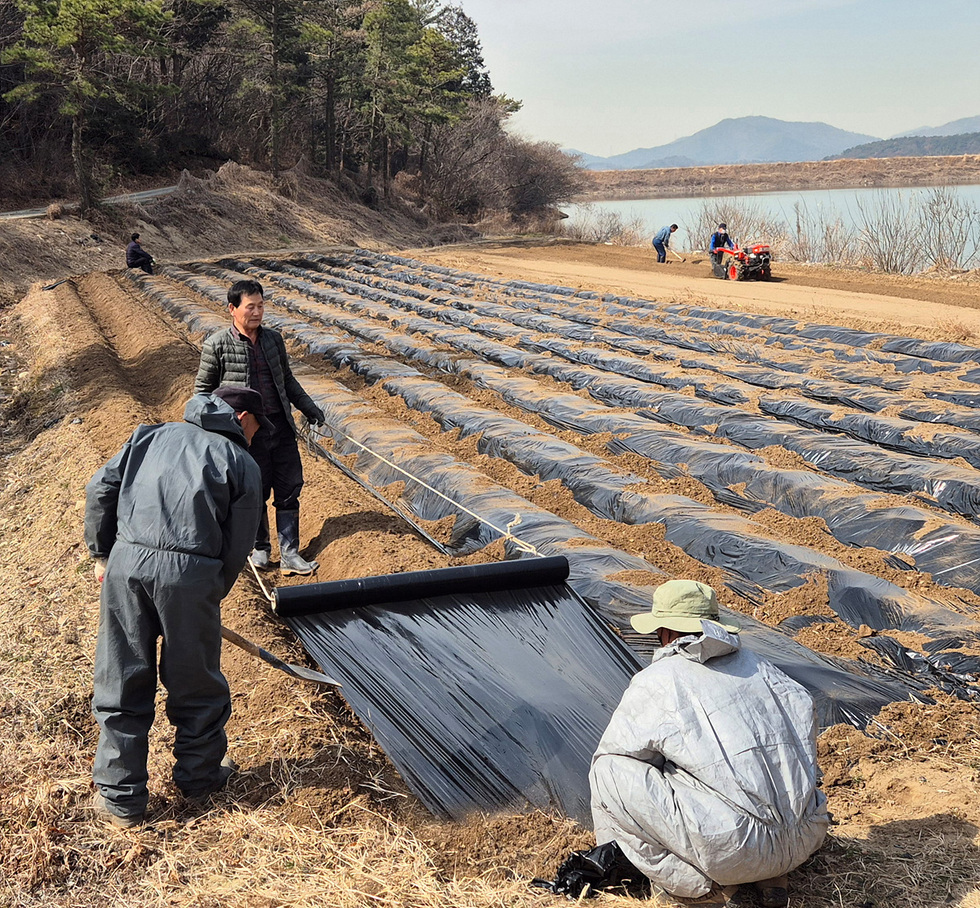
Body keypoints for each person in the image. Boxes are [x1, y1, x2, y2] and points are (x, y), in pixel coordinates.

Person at [551, 580, 829, 905]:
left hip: (735, 850)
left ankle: (700, 887)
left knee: (609, 769)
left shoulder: (660, 679)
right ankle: (771, 877)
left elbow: (622, 755)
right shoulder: (765, 670)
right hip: (806, 834)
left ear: (667, 632)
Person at [85, 387, 267, 828]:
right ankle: (199, 779)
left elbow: (100, 489)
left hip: (126, 565)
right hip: (191, 575)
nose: (255, 436)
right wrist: (208, 590)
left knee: (122, 674)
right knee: (196, 682)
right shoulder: (241, 462)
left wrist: (102, 555)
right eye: (256, 428)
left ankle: (121, 800)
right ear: (241, 417)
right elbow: (238, 544)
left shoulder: (148, 436)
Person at [195, 278, 327, 576]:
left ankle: (291, 553)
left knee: (289, 488)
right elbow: (202, 393)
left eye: (261, 306)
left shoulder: (273, 340)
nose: (257, 312)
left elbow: (287, 380)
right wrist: (217, 429)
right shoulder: (217, 345)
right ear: (232, 309)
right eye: (250, 307)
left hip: (279, 429)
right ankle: (261, 548)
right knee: (253, 492)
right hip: (245, 435)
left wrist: (308, 407)